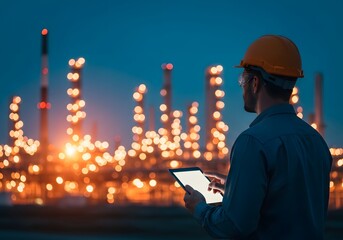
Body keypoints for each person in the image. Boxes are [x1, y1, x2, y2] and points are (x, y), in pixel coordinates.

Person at [183, 35, 333, 239]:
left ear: (254, 83)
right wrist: (239, 189)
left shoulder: (253, 142)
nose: (242, 87)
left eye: (242, 79)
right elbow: (290, 207)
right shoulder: (316, 141)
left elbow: (234, 226)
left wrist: (199, 208)